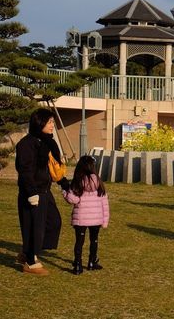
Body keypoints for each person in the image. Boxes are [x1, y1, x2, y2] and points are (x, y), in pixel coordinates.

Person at [15, 108, 68, 275]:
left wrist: (65, 184)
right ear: (40, 123)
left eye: (53, 121)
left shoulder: (48, 142)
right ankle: (30, 261)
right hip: (32, 193)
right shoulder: (26, 144)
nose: (53, 125)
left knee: (54, 222)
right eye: (50, 122)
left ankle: (29, 252)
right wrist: (31, 193)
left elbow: (53, 167)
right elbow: (25, 171)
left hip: (45, 190)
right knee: (34, 228)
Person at [61, 155, 110, 274]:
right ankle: (92, 262)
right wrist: (105, 220)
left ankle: (78, 265)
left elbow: (73, 200)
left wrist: (65, 192)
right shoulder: (98, 183)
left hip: (81, 218)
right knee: (94, 240)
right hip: (96, 218)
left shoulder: (78, 182)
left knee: (79, 241)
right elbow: (105, 203)